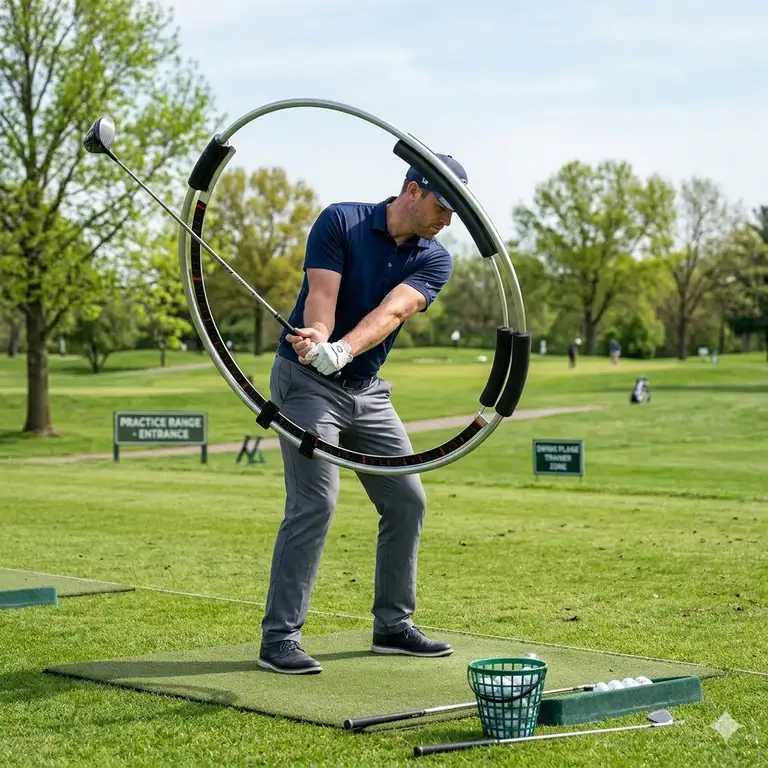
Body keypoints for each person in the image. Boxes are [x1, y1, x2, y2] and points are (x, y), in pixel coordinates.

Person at [258, 154, 468, 675]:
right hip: (307, 384)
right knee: (316, 501)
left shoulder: (435, 259)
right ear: (413, 191)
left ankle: (392, 628)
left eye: (455, 213)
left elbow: (393, 311)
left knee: (407, 500)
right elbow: (322, 298)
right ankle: (279, 639)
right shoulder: (341, 220)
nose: (447, 220)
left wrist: (346, 351)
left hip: (367, 392)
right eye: (443, 206)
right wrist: (320, 340)